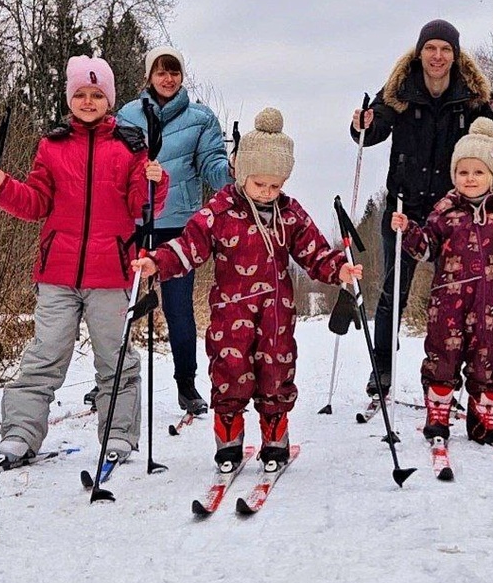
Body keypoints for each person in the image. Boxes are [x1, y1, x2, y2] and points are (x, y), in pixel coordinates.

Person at [133, 109, 362, 471]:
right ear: (241, 175)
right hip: (230, 313)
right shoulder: (219, 212)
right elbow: (189, 245)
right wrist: (158, 262)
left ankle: (275, 435)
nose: (268, 193)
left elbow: (314, 252)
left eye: (275, 186)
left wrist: (340, 270)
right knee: (230, 372)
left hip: (277, 316)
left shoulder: (290, 215)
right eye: (260, 185)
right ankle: (229, 438)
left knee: (277, 374)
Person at [0, 55, 166, 466]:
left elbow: (144, 205)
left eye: (96, 94)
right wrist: (4, 187)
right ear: (70, 98)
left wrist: (157, 179)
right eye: (80, 94)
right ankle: (19, 434)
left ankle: (118, 433)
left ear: (109, 99)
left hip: (112, 272)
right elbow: (36, 202)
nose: (88, 101)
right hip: (58, 272)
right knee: (45, 354)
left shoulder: (130, 145)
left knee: (114, 357)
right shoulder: (52, 144)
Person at [351, 18, 493, 395]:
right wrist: (362, 125)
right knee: (392, 290)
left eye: (445, 49)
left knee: (459, 291)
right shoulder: (400, 88)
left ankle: (460, 366)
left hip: (451, 210)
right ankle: (382, 364)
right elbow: (375, 127)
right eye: (431, 48)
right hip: (403, 205)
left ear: (455, 54)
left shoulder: (471, 91)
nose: (437, 56)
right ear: (420, 52)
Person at [391, 118, 493, 445]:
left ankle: (483, 418)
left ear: (491, 175)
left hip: (491, 304)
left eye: (478, 172)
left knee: (488, 359)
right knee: (442, 358)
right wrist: (407, 230)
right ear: (454, 175)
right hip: (447, 303)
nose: (470, 178)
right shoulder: (445, 209)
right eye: (463, 172)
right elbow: (426, 249)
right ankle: (438, 414)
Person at [108, 46, 230, 417]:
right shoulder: (127, 116)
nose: (167, 78)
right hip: (136, 223)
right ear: (149, 76)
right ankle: (112, 377)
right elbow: (114, 165)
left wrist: (232, 170)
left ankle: (186, 384)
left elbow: (212, 166)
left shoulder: (201, 118)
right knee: (120, 306)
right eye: (160, 71)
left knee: (179, 308)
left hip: (180, 225)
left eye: (173, 71)